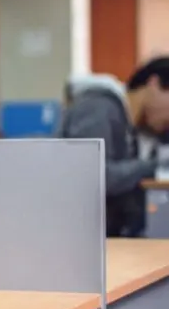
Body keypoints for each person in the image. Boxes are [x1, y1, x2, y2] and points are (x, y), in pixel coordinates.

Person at [58, 57, 169, 237]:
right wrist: (154, 165)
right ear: (154, 84)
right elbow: (93, 176)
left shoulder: (134, 125)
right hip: (80, 237)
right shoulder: (98, 108)